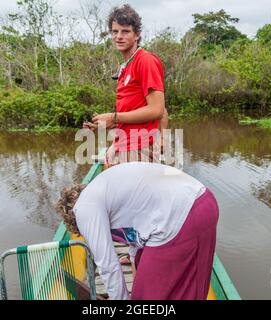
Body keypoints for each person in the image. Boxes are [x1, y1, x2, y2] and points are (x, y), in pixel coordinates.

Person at [56, 162, 219, 300]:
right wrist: (136, 265)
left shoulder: (83, 209)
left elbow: (108, 266)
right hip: (205, 203)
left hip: (182, 214)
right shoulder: (104, 188)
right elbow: (136, 231)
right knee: (191, 287)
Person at [83, 4, 168, 167]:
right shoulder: (126, 67)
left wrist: (114, 117)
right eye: (115, 31)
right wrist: (106, 122)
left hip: (138, 148)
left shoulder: (145, 61)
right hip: (124, 143)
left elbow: (158, 109)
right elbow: (133, 113)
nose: (119, 36)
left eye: (125, 31)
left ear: (137, 34)